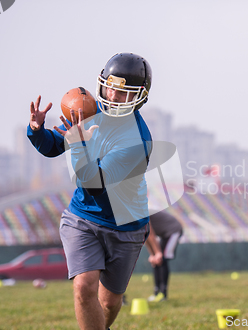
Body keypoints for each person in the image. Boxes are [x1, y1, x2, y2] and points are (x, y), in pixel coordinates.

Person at [28, 53, 159, 330]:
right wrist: (37, 131)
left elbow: (94, 182)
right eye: (109, 87)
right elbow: (57, 144)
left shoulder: (138, 141)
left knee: (110, 303)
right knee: (84, 286)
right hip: (83, 218)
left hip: (126, 224)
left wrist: (78, 144)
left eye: (123, 92)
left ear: (140, 97)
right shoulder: (89, 109)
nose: (112, 96)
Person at [144, 210, 183, 302]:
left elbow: (151, 234)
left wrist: (157, 253)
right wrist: (152, 254)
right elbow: (145, 235)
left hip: (173, 230)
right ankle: (157, 292)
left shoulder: (139, 212)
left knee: (162, 259)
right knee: (157, 261)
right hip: (165, 234)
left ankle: (163, 294)